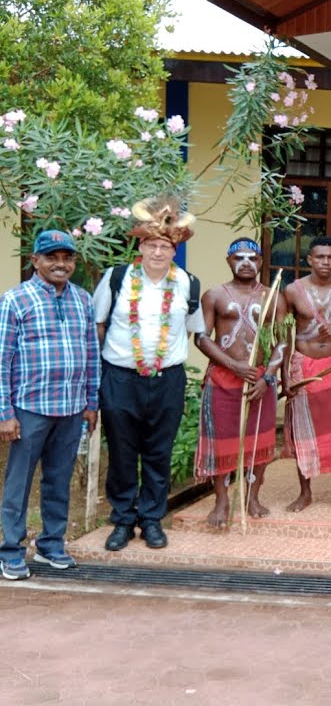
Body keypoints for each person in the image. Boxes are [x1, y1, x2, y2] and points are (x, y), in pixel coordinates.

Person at [96, 197, 204, 551]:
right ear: (140, 246)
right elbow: (98, 327)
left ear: (174, 251)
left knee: (159, 451)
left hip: (166, 380)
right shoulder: (116, 278)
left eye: (165, 246)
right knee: (123, 451)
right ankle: (123, 520)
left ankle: (152, 519)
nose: (158, 252)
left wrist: (164, 359)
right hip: (120, 378)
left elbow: (190, 330)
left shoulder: (188, 284)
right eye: (152, 245)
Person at [0, 230, 99, 580]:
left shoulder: (83, 300)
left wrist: (91, 401)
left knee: (58, 480)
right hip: (29, 409)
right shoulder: (15, 300)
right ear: (35, 261)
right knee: (19, 483)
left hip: (71, 408)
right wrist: (5, 413)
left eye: (67, 258)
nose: (61, 264)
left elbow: (91, 354)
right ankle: (11, 551)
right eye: (52, 257)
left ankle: (51, 545)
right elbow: (2, 360)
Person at [193, 238, 282, 529]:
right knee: (222, 441)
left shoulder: (273, 296)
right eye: (239, 258)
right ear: (228, 261)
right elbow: (202, 337)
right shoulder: (214, 295)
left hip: (260, 380)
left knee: (260, 441)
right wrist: (232, 365)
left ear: (261, 262)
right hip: (222, 378)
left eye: (252, 258)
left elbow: (282, 342)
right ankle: (221, 499)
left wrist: (268, 377)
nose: (246, 263)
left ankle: (252, 496)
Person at [282, 237, 331, 513]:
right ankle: (305, 493)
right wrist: (285, 375)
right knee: (304, 432)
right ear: (309, 260)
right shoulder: (293, 291)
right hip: (304, 366)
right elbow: (284, 336)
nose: (325, 262)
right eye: (320, 257)